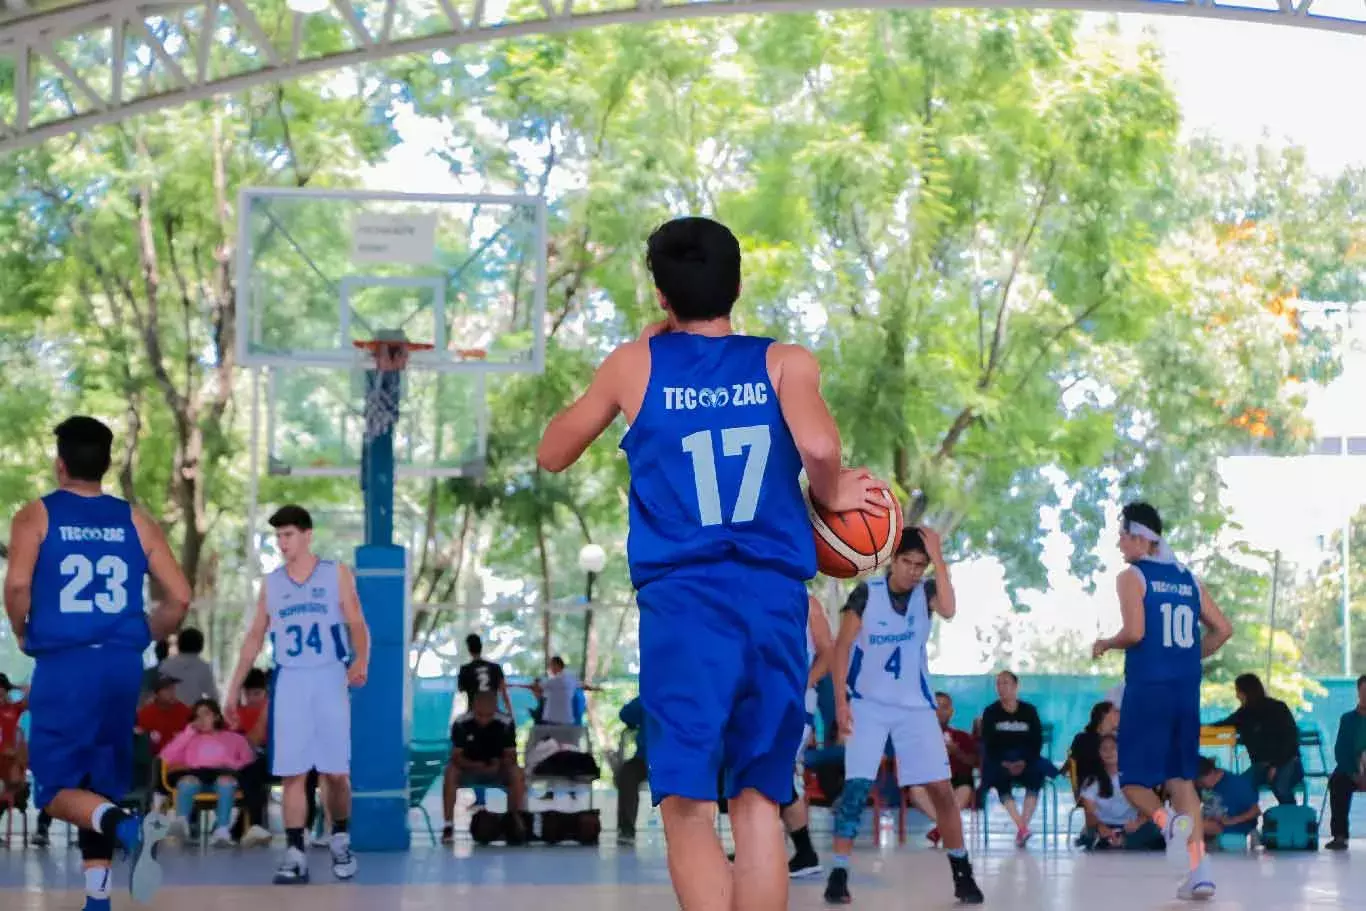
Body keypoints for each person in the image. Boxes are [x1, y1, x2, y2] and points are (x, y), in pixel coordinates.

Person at [537, 215, 888, 911]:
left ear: (661, 297)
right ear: (738, 285)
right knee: (759, 799)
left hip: (686, 607)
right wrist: (834, 487)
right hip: (771, 601)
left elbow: (552, 451)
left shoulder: (634, 365)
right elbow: (819, 448)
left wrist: (637, 350)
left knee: (688, 805)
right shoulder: (785, 361)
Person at [3, 415, 191, 911]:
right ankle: (97, 899)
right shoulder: (135, 520)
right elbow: (180, 597)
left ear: (59, 464)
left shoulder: (36, 515)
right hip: (120, 668)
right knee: (97, 784)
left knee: (53, 790)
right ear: (105, 465)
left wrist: (23, 631)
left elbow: (19, 586)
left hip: (66, 666)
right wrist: (137, 636)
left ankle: (127, 827)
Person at [827, 527, 984, 905]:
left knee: (942, 791)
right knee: (856, 790)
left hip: (915, 706)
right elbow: (841, 648)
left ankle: (962, 873)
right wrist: (841, 703)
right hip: (869, 704)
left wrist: (940, 558)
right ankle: (838, 873)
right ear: (892, 561)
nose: (914, 571)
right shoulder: (867, 594)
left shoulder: (926, 593)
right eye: (907, 563)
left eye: (920, 564)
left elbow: (949, 609)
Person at [1092, 501, 1233, 902]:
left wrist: (1107, 642)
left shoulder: (1132, 576)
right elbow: (1223, 629)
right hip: (1185, 690)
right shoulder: (1188, 577)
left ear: (1140, 537)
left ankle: (1168, 824)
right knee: (1182, 780)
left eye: (1122, 535)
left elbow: (1135, 632)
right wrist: (1186, 658)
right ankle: (1199, 872)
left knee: (1133, 780)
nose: (1119, 543)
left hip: (1149, 688)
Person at [223, 504, 370, 886]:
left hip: (328, 677)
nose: (282, 543)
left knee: (335, 773)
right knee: (293, 772)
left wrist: (361, 660)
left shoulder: (335, 573)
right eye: (278, 536)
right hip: (290, 679)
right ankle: (294, 852)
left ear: (307, 535)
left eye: (288, 535)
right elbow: (255, 636)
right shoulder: (272, 584)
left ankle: (340, 835)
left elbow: (356, 621)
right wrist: (233, 688)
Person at [781, 594, 834, 879]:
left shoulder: (808, 603)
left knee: (775, 772)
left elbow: (828, 651)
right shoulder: (753, 591)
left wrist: (806, 682)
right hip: (763, 702)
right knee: (768, 775)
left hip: (797, 704)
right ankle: (799, 852)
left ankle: (805, 852)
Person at [159, 698, 256, 847]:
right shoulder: (189, 738)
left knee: (226, 782)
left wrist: (232, 764)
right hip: (197, 775)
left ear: (216, 716)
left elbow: (249, 761)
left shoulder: (234, 738)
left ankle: (222, 831)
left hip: (224, 775)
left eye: (206, 714)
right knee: (187, 782)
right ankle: (181, 825)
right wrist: (188, 733)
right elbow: (165, 756)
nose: (202, 720)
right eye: (197, 716)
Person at [443, 689, 527, 844]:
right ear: (474, 707)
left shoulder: (506, 723)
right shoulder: (461, 723)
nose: (483, 720)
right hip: (468, 768)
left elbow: (511, 755)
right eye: (480, 715)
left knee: (517, 772)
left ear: (495, 708)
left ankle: (514, 822)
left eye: (488, 715)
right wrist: (476, 766)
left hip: (498, 769)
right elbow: (456, 756)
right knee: (450, 772)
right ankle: (448, 826)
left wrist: (498, 764)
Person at [980, 671, 1054, 846]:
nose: (1001, 687)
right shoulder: (991, 712)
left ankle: (1023, 827)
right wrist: (1003, 762)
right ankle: (1022, 828)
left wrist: (1024, 761)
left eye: (1006, 683)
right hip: (1000, 760)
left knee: (1036, 776)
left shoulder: (1029, 711)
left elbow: (1036, 741)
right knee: (998, 777)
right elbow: (988, 742)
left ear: (1015, 686)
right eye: (998, 684)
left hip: (1026, 759)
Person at [1210, 672, 1302, 805]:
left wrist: (1276, 765)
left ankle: (1292, 820)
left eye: (1238, 691)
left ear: (1245, 692)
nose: (1237, 696)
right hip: (1261, 766)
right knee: (1240, 786)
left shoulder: (1278, 708)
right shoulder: (1243, 714)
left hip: (1288, 762)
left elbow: (1291, 741)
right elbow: (1222, 724)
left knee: (1281, 786)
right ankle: (1248, 820)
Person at [909, 691, 979, 846]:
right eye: (936, 707)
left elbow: (975, 763)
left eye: (944, 707)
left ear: (951, 712)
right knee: (915, 790)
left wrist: (957, 752)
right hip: (929, 780)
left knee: (966, 788)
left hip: (957, 781)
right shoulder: (918, 736)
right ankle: (944, 826)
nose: (940, 711)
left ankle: (939, 829)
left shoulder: (962, 736)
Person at [1078, 735, 1163, 851]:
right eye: (1104, 749)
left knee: (1155, 828)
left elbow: (1150, 808)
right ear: (1098, 754)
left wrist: (1138, 822)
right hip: (1104, 826)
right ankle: (1115, 841)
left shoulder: (1134, 776)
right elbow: (1090, 814)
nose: (1109, 752)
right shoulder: (1092, 781)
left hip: (1130, 825)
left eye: (1113, 748)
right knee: (1090, 833)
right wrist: (1100, 826)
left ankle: (1122, 841)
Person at [229, 668, 275, 847]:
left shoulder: (274, 711)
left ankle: (247, 825)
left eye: (257, 693)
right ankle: (253, 824)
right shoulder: (237, 714)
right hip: (248, 763)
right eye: (248, 694)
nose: (253, 698)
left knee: (253, 771)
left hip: (273, 762)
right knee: (251, 770)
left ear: (265, 692)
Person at [1326, 674, 1366, 850]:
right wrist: (1354, 774)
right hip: (1353, 769)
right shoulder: (1348, 719)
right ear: (1358, 692)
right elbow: (1341, 751)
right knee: (1337, 781)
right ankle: (1340, 836)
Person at [1194, 756, 1260, 844]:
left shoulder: (1237, 784)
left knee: (1193, 825)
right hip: (1212, 825)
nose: (1200, 785)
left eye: (1201, 782)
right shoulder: (1204, 787)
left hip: (1232, 829)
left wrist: (1233, 820)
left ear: (1211, 773)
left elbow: (1256, 811)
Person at [615, 694, 649, 844]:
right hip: (646, 760)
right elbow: (625, 713)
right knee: (627, 774)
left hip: (680, 760)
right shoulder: (649, 698)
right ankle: (627, 828)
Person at [1069, 701, 1119, 799]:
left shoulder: (1114, 739)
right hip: (1097, 789)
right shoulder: (1085, 740)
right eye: (1115, 711)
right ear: (1105, 715)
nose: (1119, 714)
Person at [136, 674, 192, 756]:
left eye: (173, 688)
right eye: (166, 689)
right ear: (156, 694)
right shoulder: (144, 715)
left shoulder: (184, 711)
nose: (172, 692)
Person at [160, 627, 218, 706]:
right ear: (201, 646)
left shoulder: (165, 665)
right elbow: (213, 696)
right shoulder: (203, 667)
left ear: (179, 644)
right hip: (193, 713)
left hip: (169, 713)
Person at [457, 633, 513, 715]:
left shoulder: (465, 670)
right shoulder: (495, 668)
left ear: (469, 649)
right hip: (493, 714)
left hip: (474, 716)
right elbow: (504, 693)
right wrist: (510, 713)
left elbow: (461, 690)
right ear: (481, 647)